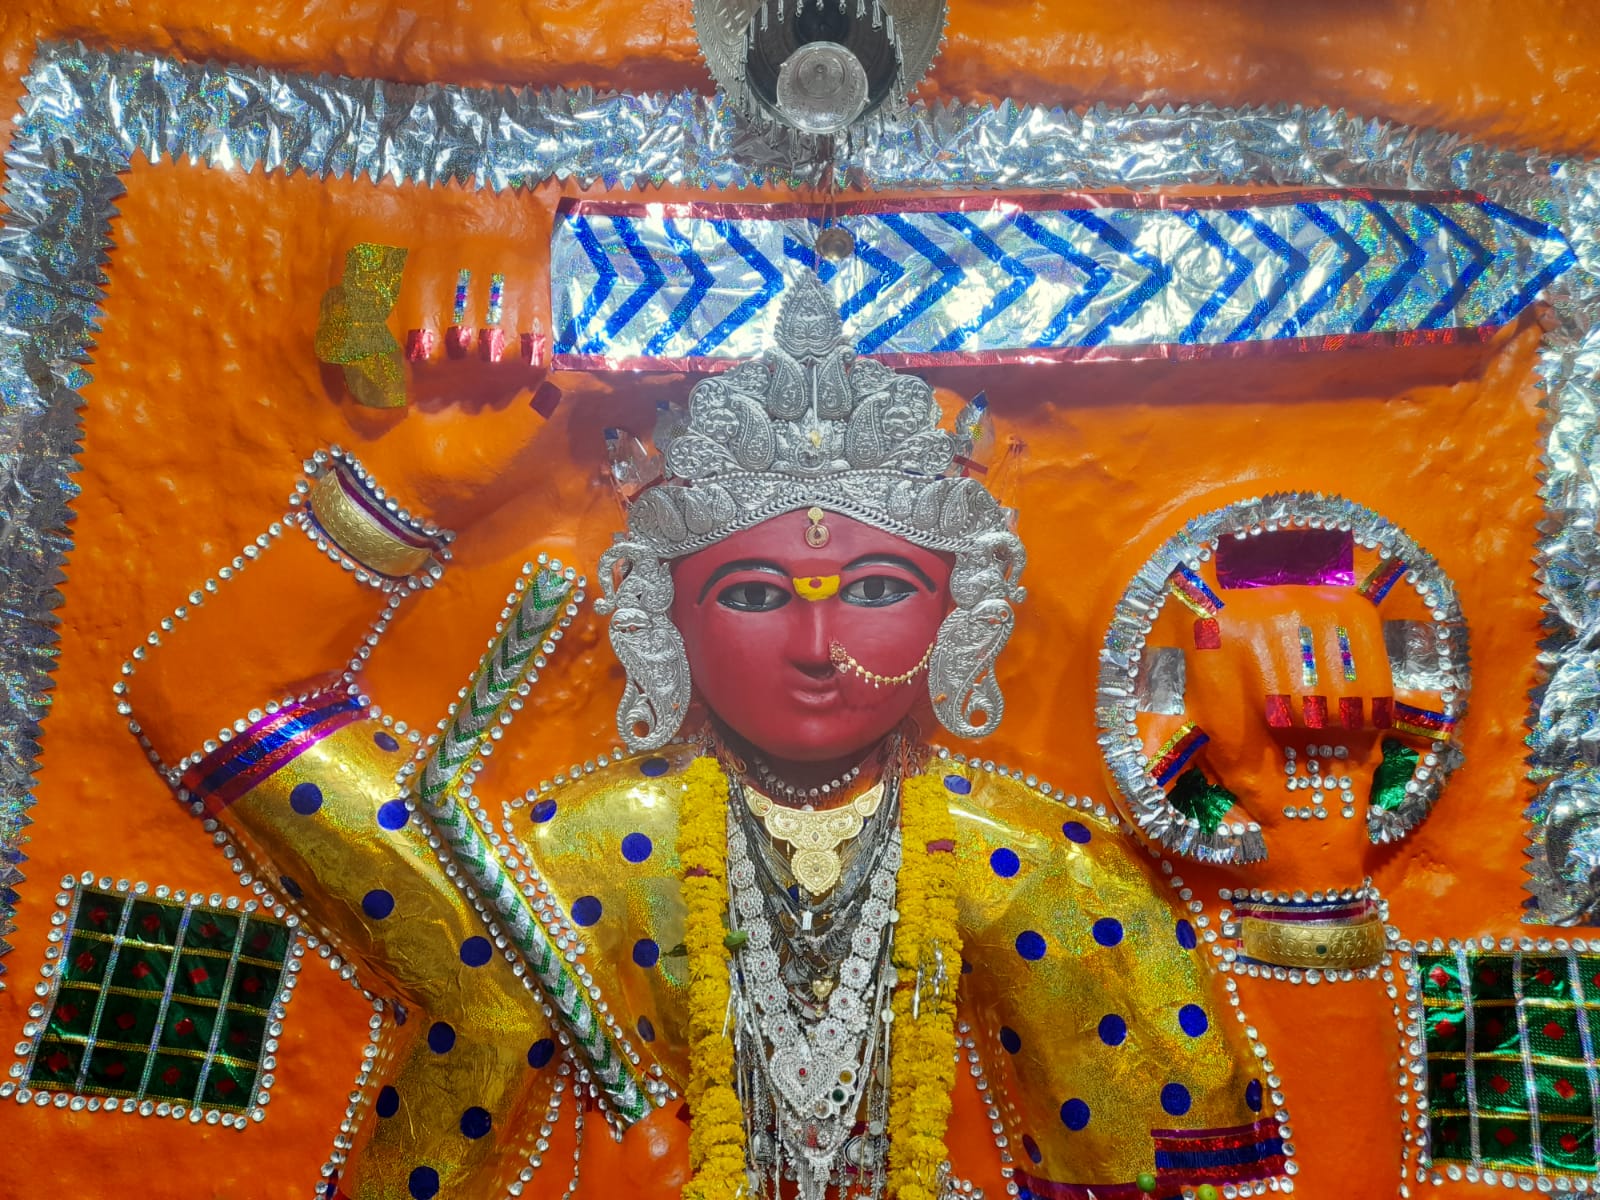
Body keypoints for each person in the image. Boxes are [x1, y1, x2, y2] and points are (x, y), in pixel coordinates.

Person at [130, 273, 1289, 1200]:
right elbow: (215, 705)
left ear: (961, 616)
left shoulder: (1043, 876)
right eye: (751, 594)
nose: (819, 645)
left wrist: (1309, 856)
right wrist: (420, 477)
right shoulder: (576, 866)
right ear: (664, 619)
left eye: (877, 588)